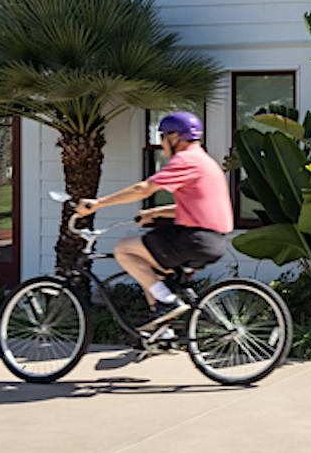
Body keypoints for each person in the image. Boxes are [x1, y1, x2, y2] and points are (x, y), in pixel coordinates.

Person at [72, 111, 231, 316]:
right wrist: (155, 213)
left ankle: (168, 302)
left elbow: (143, 189)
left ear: (174, 138)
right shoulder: (206, 162)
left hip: (193, 239)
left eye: (162, 138)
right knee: (150, 273)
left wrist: (97, 204)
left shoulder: (185, 159)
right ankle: (161, 334)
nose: (162, 145)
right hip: (212, 241)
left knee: (124, 249)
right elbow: (195, 207)